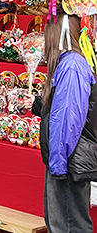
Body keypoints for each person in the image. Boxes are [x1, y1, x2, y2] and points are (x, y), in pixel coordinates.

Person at [32, 12, 97, 232]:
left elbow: (68, 120)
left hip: (68, 161)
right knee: (60, 223)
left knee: (68, 226)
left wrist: (58, 165)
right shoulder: (70, 64)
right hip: (65, 159)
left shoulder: (72, 65)